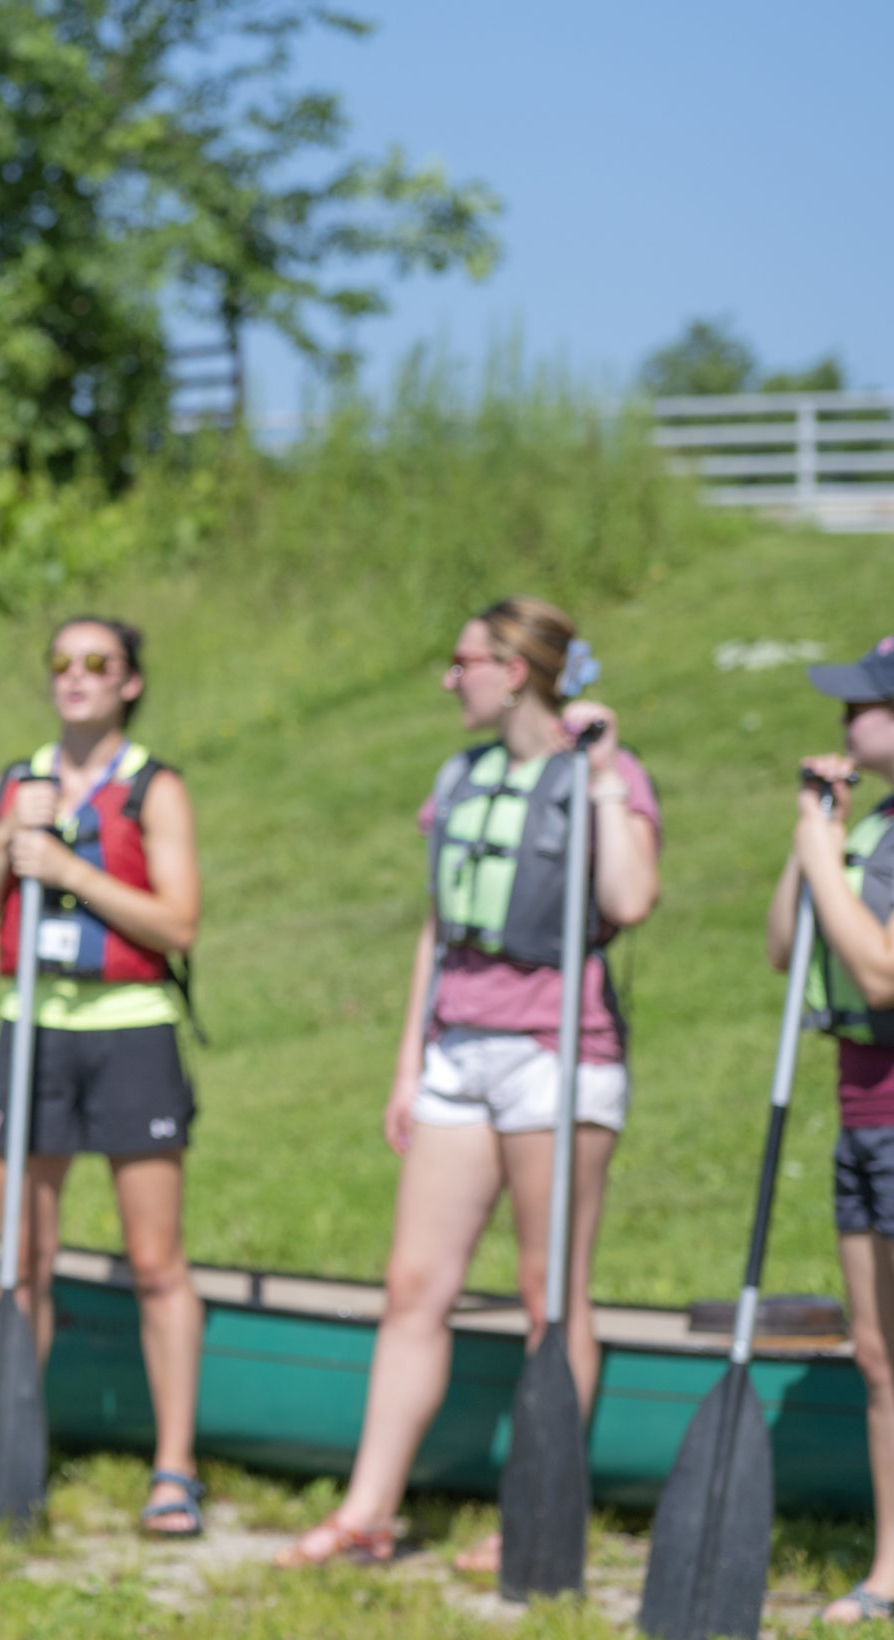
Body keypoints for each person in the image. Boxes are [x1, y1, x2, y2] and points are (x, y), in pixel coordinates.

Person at [277, 596, 661, 1569]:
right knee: (413, 1284)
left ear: (516, 669)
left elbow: (628, 899)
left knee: (548, 1293)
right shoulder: (460, 775)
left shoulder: (599, 777)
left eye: (464, 662)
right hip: (458, 1051)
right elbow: (436, 925)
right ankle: (366, 1509)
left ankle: (540, 1509)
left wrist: (607, 772)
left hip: (556, 1055)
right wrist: (409, 1056)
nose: (450, 679)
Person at [0, 616, 207, 1537]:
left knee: (154, 1260)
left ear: (131, 682)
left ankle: (175, 1470)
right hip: (28, 1029)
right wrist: (7, 840)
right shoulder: (14, 784)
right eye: (62, 662)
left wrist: (65, 868)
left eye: (98, 663)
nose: (76, 677)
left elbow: (178, 925)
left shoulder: (155, 789)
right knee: (23, 1260)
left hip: (131, 1032)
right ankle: (17, 1454)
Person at [773, 636, 894, 1626]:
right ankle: (891, 1566)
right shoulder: (867, 825)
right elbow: (785, 945)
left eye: (860, 705)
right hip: (860, 1113)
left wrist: (822, 852)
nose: (841, 721)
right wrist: (810, 839)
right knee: (875, 1349)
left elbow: (884, 974)